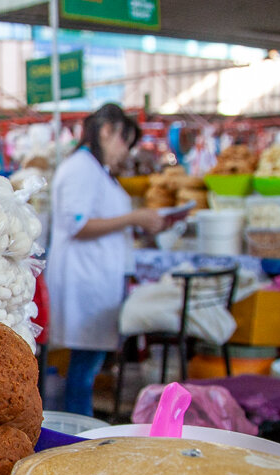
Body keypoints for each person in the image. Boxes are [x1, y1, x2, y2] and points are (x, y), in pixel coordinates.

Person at [46, 103, 170, 416]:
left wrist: (136, 226)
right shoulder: (80, 169)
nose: (123, 152)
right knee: (83, 373)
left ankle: (80, 427)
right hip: (85, 280)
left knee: (87, 368)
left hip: (98, 277)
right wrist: (133, 218)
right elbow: (78, 224)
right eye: (121, 142)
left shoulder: (98, 171)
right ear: (106, 130)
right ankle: (78, 435)